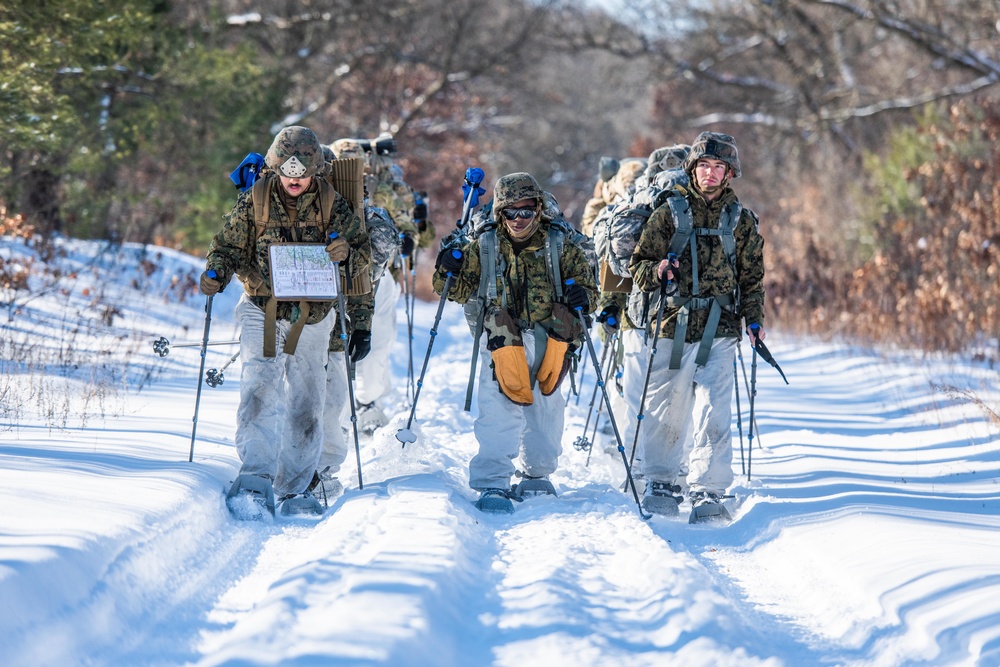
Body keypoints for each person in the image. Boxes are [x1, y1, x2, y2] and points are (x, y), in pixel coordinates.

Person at [200, 125, 373, 515]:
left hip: (314, 317)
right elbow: (227, 246)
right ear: (275, 169)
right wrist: (215, 273)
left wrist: (345, 252)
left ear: (315, 171)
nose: (294, 181)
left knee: (308, 401)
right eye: (287, 173)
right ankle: (255, 478)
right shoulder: (256, 200)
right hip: (263, 308)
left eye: (303, 174)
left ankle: (296, 488)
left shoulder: (332, 203)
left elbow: (363, 256)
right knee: (260, 389)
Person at [433, 172, 598, 513]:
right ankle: (493, 482)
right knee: (497, 408)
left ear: (538, 209)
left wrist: (583, 297)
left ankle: (537, 475)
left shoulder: (559, 244)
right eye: (511, 212)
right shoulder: (485, 244)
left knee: (546, 408)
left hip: (550, 335)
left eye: (526, 211)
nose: (519, 219)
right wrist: (446, 267)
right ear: (500, 213)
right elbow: (457, 289)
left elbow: (590, 290)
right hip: (501, 336)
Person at [626, 132, 765, 520]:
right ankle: (661, 480)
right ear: (692, 168)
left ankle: (708, 490)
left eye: (719, 167)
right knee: (666, 407)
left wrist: (754, 319)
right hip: (671, 324)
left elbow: (752, 277)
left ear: (730, 173)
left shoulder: (740, 220)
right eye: (704, 165)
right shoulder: (669, 212)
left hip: (721, 327)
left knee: (714, 411)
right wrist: (658, 269)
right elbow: (638, 264)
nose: (710, 173)